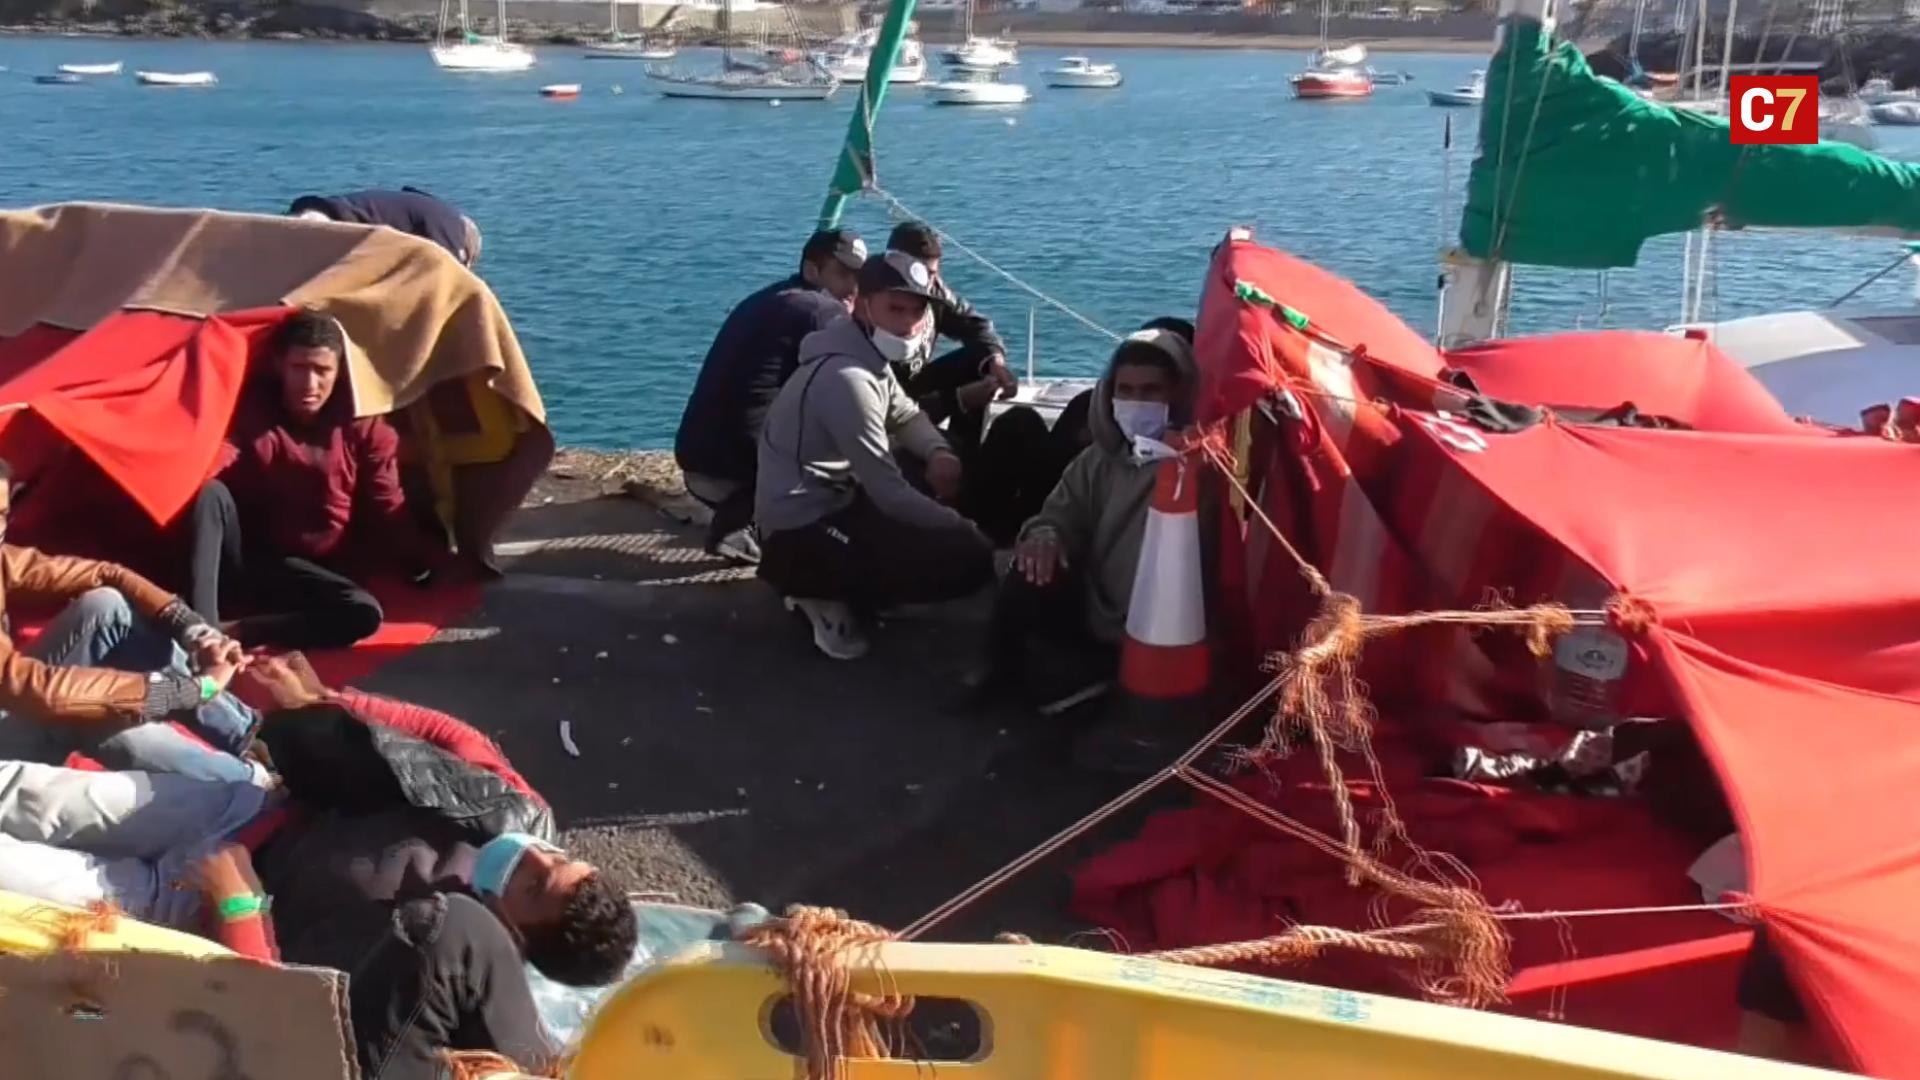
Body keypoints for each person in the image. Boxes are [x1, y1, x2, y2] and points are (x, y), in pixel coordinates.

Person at [0, 695, 635, 1080]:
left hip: (188, 900)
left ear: (516, 939)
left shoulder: (423, 959)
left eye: (531, 886)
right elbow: (431, 740)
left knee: (18, 871)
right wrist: (331, 701)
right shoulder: (515, 814)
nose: (532, 859)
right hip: (242, 811)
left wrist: (237, 903)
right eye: (554, 860)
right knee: (36, 793)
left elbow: (282, 1021)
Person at [756, 251, 996, 660]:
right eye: (895, 308)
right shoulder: (846, 379)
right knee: (967, 560)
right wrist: (967, 531)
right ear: (864, 305)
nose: (906, 323)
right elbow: (889, 494)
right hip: (797, 532)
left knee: (932, 465)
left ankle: (864, 577)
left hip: (837, 500)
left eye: (916, 311)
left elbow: (905, 414)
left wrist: (939, 452)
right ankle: (819, 594)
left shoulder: (865, 357)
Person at [972, 323, 1198, 710]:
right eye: (1125, 391)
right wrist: (1045, 537)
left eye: (1151, 391)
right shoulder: (1099, 459)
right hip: (1094, 601)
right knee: (1025, 565)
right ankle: (1000, 679)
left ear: (1177, 394)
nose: (1135, 402)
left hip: (1161, 625)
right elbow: (1059, 514)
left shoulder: (1203, 463)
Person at [190, 311, 445, 650]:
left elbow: (387, 501)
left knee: (364, 614)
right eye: (299, 368)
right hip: (250, 558)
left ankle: (240, 632)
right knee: (209, 493)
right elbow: (216, 456)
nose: (309, 385)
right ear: (280, 365)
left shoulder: (364, 425)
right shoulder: (253, 408)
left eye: (321, 370)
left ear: (339, 371)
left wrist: (418, 564)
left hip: (316, 571)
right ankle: (200, 633)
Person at [0, 460, 263, 784]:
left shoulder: (4, 559)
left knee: (105, 603)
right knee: (92, 715)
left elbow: (107, 574)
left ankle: (251, 736)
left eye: (1, 515)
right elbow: (41, 693)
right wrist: (192, 690)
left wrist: (197, 631)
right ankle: (250, 787)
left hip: (13, 698)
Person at [674, 229, 867, 564]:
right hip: (732, 472)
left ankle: (741, 519)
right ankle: (746, 527)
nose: (853, 286)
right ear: (812, 271)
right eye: (843, 274)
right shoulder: (820, 311)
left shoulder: (773, 297)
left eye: (859, 276)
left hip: (696, 454)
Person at [883, 221, 1015, 460]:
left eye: (932, 274)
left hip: (915, 384)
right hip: (888, 406)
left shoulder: (935, 292)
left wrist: (995, 361)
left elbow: (977, 325)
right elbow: (880, 409)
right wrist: (958, 400)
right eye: (919, 274)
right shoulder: (873, 311)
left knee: (980, 359)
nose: (926, 285)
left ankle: (965, 452)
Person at [287, 187, 482, 268]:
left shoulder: (425, 210)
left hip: (310, 214)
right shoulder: (450, 224)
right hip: (332, 224)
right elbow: (450, 272)